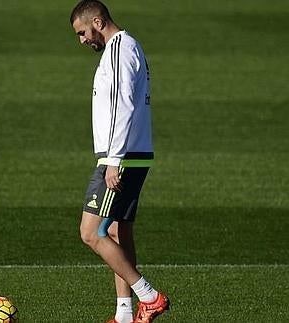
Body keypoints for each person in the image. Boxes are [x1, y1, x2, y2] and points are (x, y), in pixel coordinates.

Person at [69, 1, 170, 323]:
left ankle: (149, 297)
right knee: (115, 231)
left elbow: (122, 106)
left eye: (83, 32)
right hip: (133, 154)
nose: (82, 40)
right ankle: (125, 314)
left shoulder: (118, 50)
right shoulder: (128, 47)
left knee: (90, 233)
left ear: (97, 21)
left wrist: (113, 161)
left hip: (121, 158)